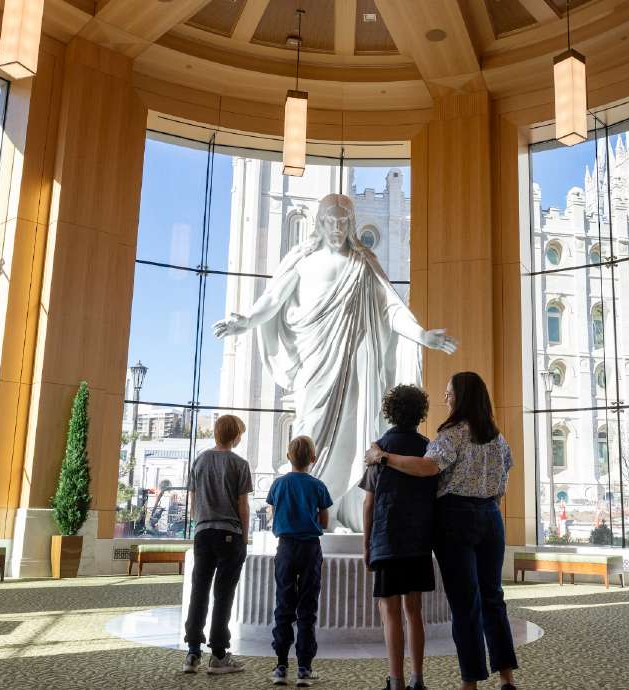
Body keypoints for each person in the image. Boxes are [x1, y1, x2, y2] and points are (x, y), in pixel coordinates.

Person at [213, 192, 457, 530]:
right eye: (331, 221)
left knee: (352, 434)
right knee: (309, 426)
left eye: (344, 222)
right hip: (315, 362)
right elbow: (272, 299)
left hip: (355, 365)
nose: (338, 228)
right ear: (320, 222)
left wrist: (420, 334)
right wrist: (245, 321)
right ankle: (309, 511)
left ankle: (340, 509)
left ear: (351, 224)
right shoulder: (302, 260)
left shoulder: (363, 262)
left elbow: (391, 307)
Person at [365, 372, 518, 690]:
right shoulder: (496, 436)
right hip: (492, 517)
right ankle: (506, 677)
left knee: (465, 604)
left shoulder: (451, 434)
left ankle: (470, 682)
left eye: (449, 393)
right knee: (494, 598)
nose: (445, 397)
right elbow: (504, 479)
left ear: (460, 397)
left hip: (456, 519)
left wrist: (384, 457)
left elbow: (428, 467)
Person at [360, 384, 436, 690]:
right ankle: (418, 678)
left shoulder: (377, 449)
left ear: (390, 411)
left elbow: (369, 502)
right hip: (418, 539)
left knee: (389, 611)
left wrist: (367, 545)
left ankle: (397, 680)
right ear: (421, 413)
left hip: (387, 538)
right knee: (414, 611)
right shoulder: (428, 447)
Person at [182, 415, 253, 675]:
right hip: (229, 534)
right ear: (235, 435)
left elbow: (193, 502)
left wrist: (200, 521)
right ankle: (219, 655)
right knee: (223, 594)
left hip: (202, 532)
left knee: (198, 590)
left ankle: (192, 653)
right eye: (240, 434)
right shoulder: (239, 464)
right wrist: (244, 538)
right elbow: (243, 507)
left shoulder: (199, 460)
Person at [266, 436, 333, 687]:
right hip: (310, 549)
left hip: (285, 547)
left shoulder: (278, 485)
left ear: (288, 457)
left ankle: (281, 666)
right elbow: (325, 522)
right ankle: (304, 668)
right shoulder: (318, 486)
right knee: (307, 608)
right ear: (313, 459)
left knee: (283, 605)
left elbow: (272, 514)